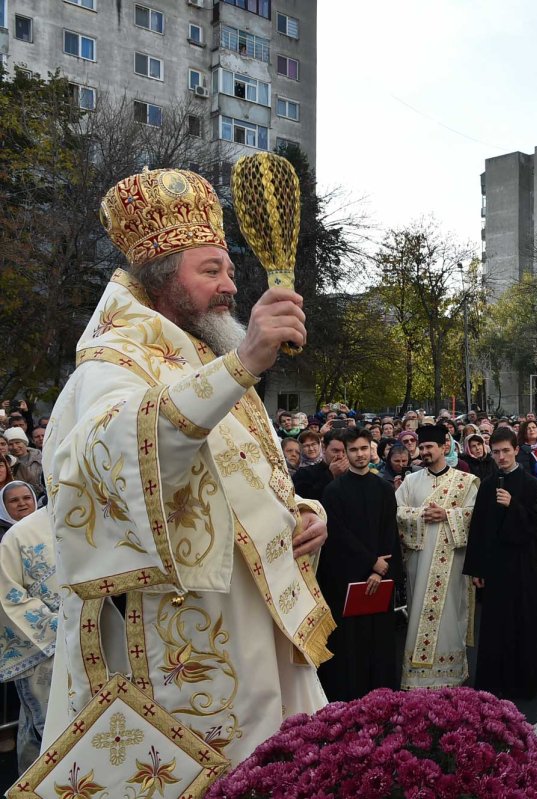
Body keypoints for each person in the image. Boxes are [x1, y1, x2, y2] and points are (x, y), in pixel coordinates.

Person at [40, 168, 331, 772]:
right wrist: (247, 359)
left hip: (255, 620)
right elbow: (116, 459)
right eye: (211, 271)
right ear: (160, 278)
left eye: (229, 269)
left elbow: (244, 470)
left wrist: (301, 513)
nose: (230, 286)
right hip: (181, 638)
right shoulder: (111, 364)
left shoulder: (205, 352)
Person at [316, 430, 402, 701]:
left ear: (371, 450)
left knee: (381, 643)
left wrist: (381, 569)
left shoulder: (384, 489)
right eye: (353, 450)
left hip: (381, 577)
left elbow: (390, 530)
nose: (360, 454)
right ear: (346, 453)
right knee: (350, 646)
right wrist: (370, 563)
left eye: (364, 448)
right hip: (347, 580)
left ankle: (383, 698)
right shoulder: (333, 491)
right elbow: (339, 536)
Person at [463, 427, 537, 700]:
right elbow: (478, 528)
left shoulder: (532, 484)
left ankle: (527, 683)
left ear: (515, 449)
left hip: (523, 564)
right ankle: (494, 685)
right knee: (495, 624)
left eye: (506, 451)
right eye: (496, 452)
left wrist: (514, 506)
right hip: (496, 567)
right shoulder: (487, 484)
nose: (501, 457)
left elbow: (536, 525)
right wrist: (477, 568)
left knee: (524, 620)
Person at [395, 424, 479, 688]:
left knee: (450, 615)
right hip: (419, 563)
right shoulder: (411, 481)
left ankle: (451, 676)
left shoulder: (465, 483)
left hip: (453, 563)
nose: (424, 452)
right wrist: (421, 515)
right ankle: (417, 679)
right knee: (419, 613)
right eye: (421, 448)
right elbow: (396, 513)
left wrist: (447, 515)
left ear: (445, 446)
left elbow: (475, 515)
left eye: (429, 447)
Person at [0, 508, 59, 771]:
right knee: (49, 738)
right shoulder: (20, 535)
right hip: (52, 654)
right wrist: (67, 626)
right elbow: (7, 599)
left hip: (112, 647)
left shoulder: (112, 519)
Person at [293, 429, 349, 500]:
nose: (341, 456)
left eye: (345, 451)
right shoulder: (304, 473)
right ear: (324, 448)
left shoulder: (355, 473)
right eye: (335, 451)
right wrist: (330, 475)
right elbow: (306, 501)